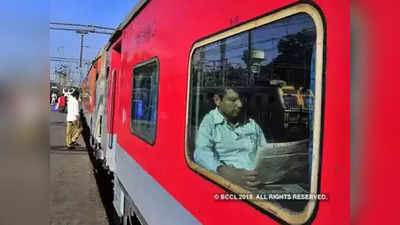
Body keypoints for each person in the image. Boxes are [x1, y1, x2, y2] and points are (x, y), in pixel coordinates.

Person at [194, 88, 267, 190]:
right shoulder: (209, 122)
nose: (240, 105)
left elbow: (265, 151)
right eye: (233, 100)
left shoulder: (251, 124)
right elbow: (201, 153)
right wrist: (225, 172)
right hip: (226, 186)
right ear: (217, 100)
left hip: (257, 183)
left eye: (241, 99)